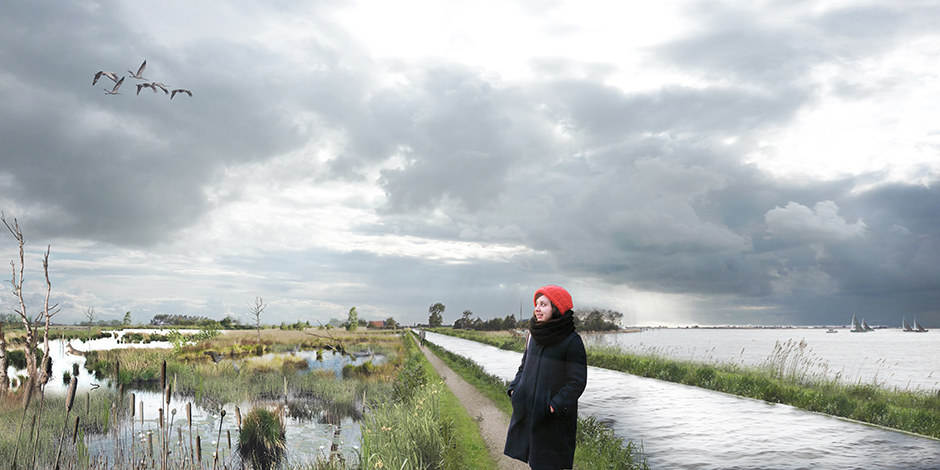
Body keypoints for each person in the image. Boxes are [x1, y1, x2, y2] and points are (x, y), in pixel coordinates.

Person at [504, 285, 587, 470]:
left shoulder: (572, 341)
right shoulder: (533, 335)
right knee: (535, 462)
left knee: (549, 464)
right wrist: (514, 388)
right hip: (530, 409)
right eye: (536, 304)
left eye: (543, 304)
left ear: (556, 308)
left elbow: (577, 382)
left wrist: (554, 405)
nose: (537, 308)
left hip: (553, 418)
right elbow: (524, 366)